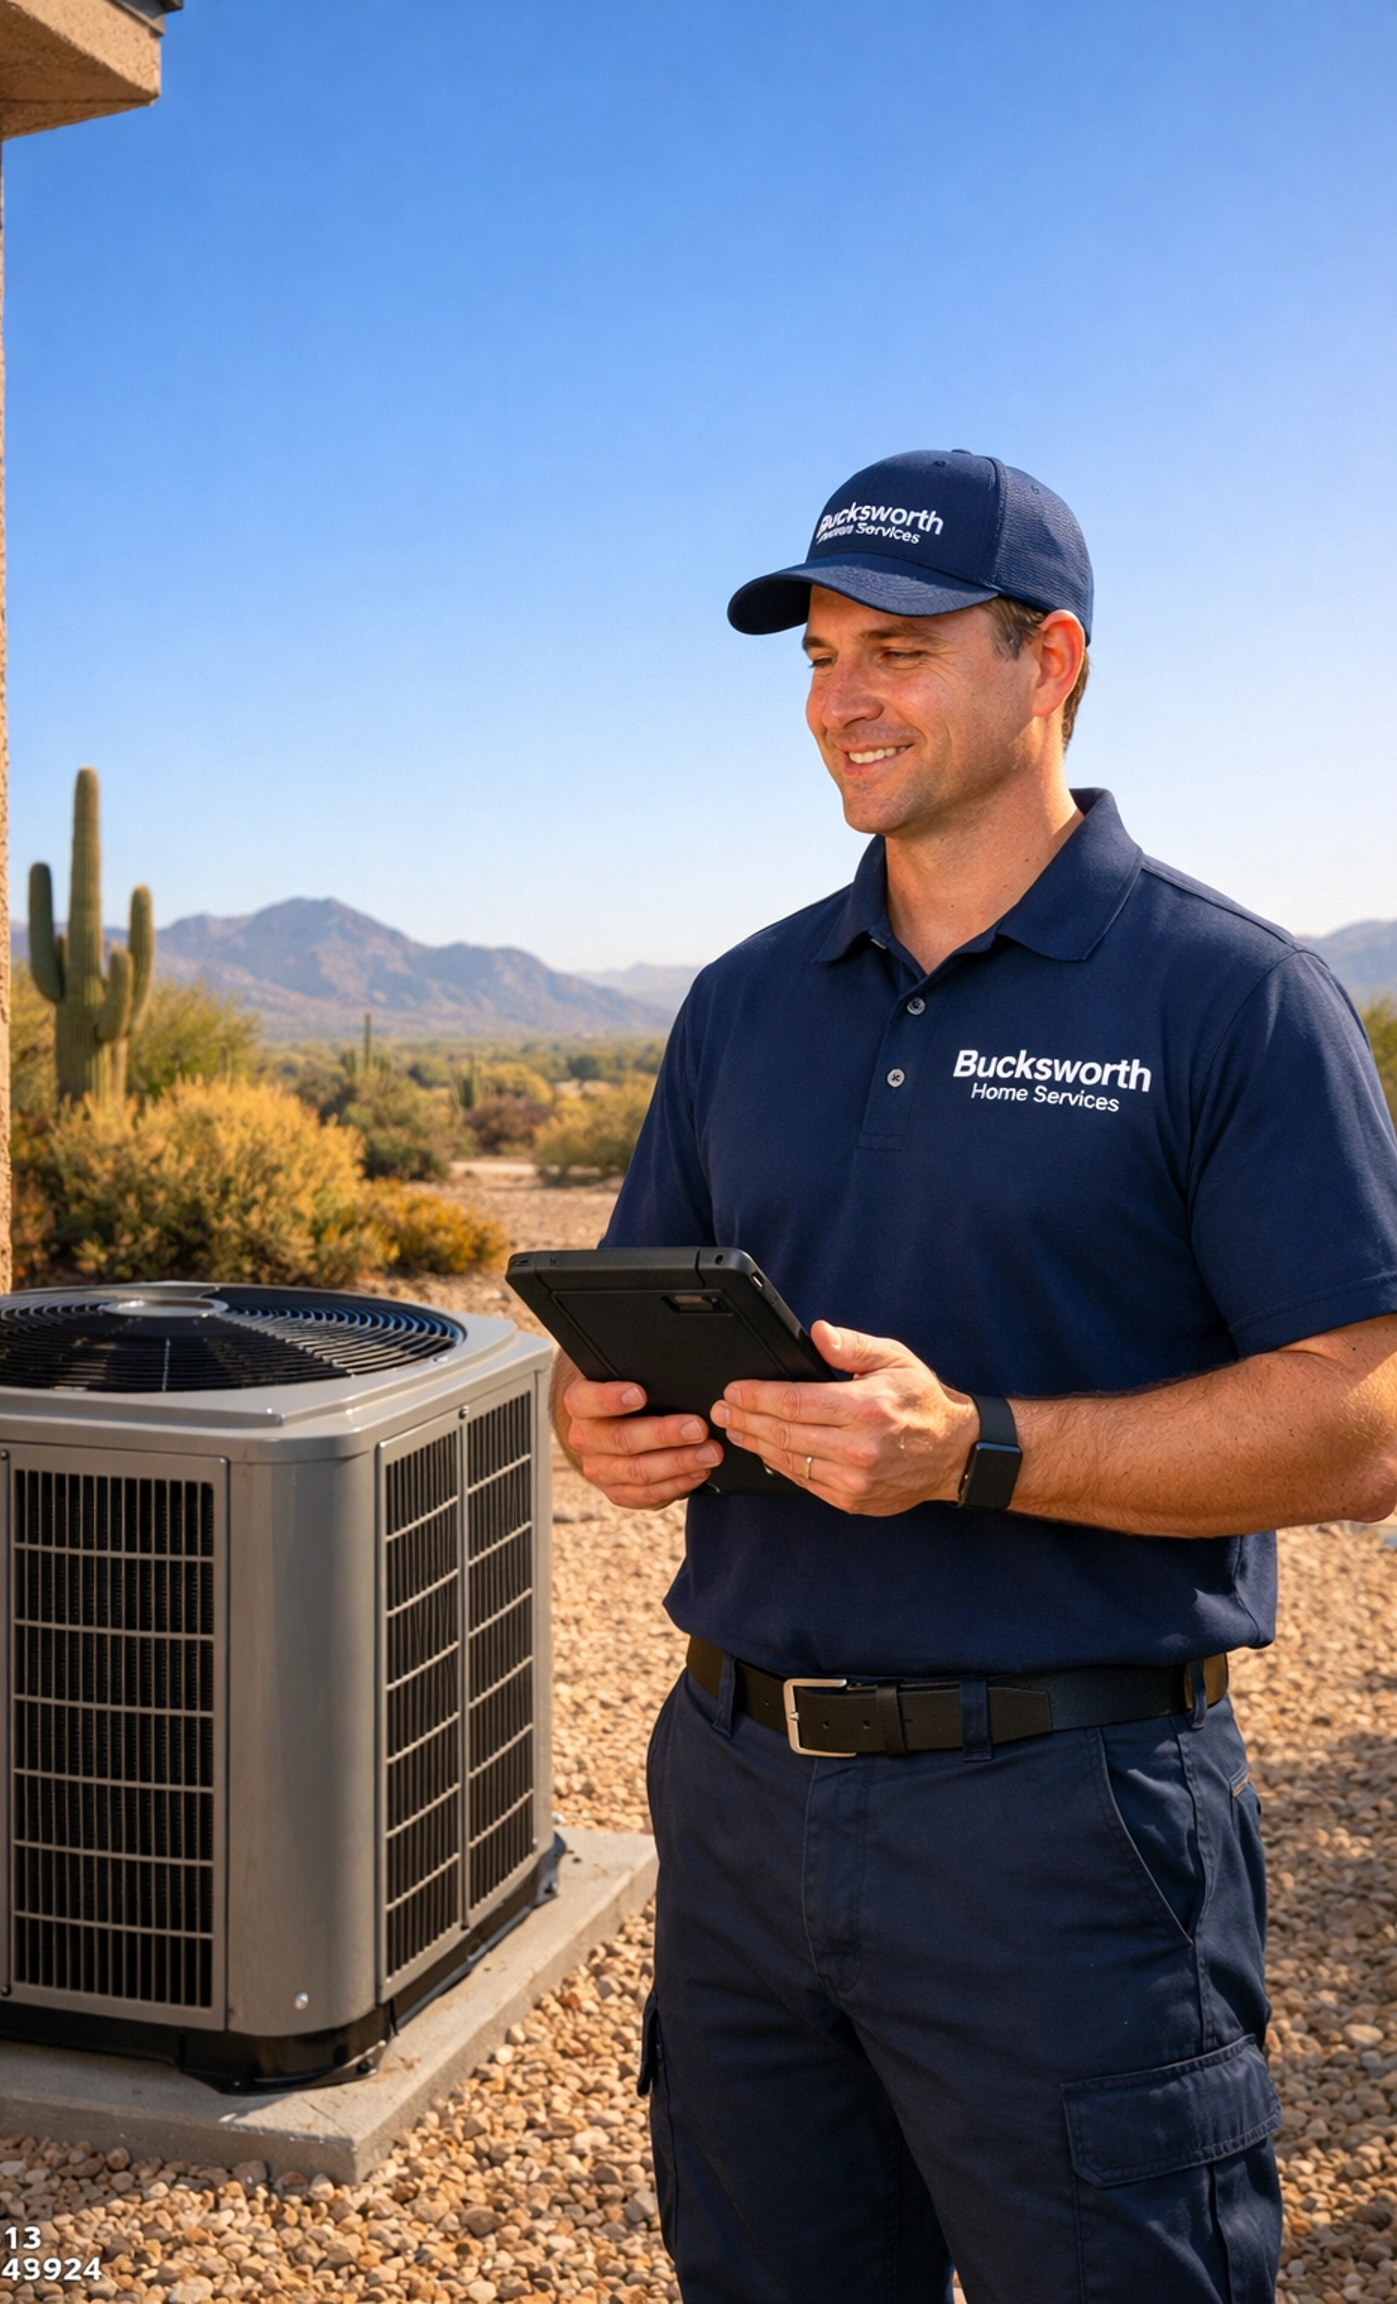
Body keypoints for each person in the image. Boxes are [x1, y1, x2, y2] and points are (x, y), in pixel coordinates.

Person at [550, 449, 1397, 2304]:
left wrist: (974, 1452)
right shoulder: (745, 1002)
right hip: (735, 1791)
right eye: (823, 650)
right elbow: (626, 1326)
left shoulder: (1230, 996)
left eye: (902, 648)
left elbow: (1363, 1415)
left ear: (1050, 660)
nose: (842, 696)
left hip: (1068, 1826)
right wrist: (598, 1422)